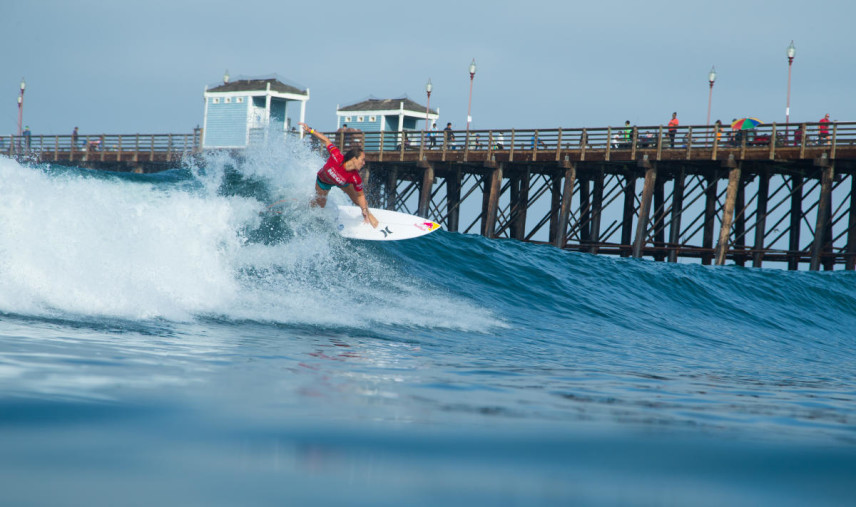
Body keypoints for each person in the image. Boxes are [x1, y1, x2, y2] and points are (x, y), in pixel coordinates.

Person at [299, 122, 378, 228]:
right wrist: (310, 130)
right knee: (320, 205)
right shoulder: (337, 156)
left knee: (356, 199)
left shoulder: (355, 177)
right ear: (354, 158)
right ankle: (304, 206)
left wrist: (364, 210)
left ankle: (368, 213)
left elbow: (361, 195)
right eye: (362, 160)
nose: (364, 163)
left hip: (343, 182)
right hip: (323, 181)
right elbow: (326, 140)